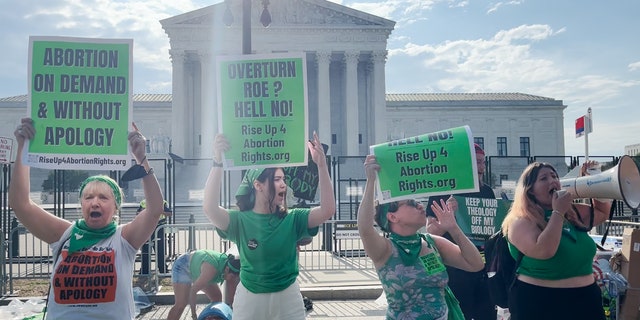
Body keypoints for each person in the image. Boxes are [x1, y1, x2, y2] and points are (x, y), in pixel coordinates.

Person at [8, 118, 164, 319]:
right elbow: (21, 204)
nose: (95, 202)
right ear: (81, 205)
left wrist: (141, 159)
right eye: (88, 197)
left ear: (116, 206)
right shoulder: (64, 234)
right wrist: (24, 148)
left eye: (103, 197)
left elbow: (154, 210)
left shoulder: (124, 239)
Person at [202, 131, 335, 320]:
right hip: (249, 300)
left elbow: (328, 210)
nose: (284, 185)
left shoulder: (293, 218)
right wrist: (217, 162)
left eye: (284, 179)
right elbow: (209, 208)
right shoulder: (240, 220)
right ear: (258, 185)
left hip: (288, 299)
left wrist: (321, 165)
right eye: (277, 179)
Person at [358, 154, 484, 319]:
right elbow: (365, 228)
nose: (419, 205)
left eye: (417, 202)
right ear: (392, 217)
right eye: (411, 203)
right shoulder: (385, 249)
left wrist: (453, 228)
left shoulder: (433, 243)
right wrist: (371, 181)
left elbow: (475, 264)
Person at [501, 161, 612, 320]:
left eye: (554, 176)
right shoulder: (520, 221)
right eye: (543, 178)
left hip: (586, 299)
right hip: (541, 302)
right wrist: (558, 211)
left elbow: (602, 212)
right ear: (530, 190)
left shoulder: (572, 213)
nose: (552, 181)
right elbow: (544, 251)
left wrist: (594, 177)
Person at [425, 143, 497, 320]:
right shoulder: (442, 191)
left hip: (483, 267)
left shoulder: (487, 191)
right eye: (477, 162)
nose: (481, 168)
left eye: (483, 163)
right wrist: (448, 217)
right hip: (455, 269)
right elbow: (430, 232)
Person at [167, 249, 240, 320]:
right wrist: (194, 315)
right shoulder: (211, 270)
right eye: (233, 277)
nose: (233, 279)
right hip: (183, 266)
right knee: (181, 304)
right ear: (227, 269)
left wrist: (232, 310)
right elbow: (193, 290)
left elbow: (232, 297)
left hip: (199, 269)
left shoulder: (230, 270)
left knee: (217, 298)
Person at [136, 199, 172, 276]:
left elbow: (169, 213)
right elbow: (137, 213)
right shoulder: (143, 202)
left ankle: (163, 270)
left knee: (160, 251)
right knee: (145, 251)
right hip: (146, 229)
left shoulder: (162, 202)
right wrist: (144, 211)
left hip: (159, 229)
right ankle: (144, 271)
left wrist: (159, 211)